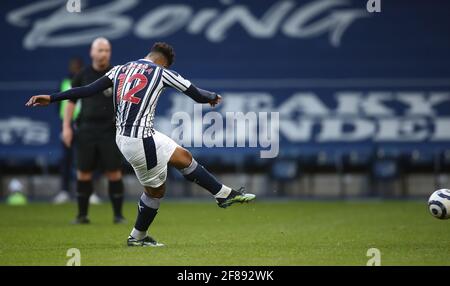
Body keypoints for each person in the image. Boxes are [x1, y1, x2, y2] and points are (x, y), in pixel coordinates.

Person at [26, 42, 255, 247]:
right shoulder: (162, 72)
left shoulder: (120, 69)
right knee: (156, 192)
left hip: (132, 135)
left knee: (182, 156)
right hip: (140, 141)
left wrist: (52, 97)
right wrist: (212, 96)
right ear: (163, 62)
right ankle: (137, 237)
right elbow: (196, 94)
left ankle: (222, 194)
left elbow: (87, 91)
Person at [62, 38, 125, 224]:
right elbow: (71, 102)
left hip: (110, 130)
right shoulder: (82, 75)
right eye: (100, 50)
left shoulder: (117, 74)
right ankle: (82, 215)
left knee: (114, 172)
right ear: (92, 52)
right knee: (83, 172)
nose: (103, 53)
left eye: (107, 50)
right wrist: (66, 127)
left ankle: (118, 215)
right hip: (86, 130)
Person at [53, 57, 83, 204]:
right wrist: (65, 125)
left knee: (84, 159)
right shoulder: (64, 82)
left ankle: (86, 192)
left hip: (84, 125)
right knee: (66, 159)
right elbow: (59, 105)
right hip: (67, 125)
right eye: (73, 66)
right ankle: (64, 191)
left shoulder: (88, 82)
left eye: (77, 66)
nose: (74, 68)